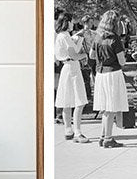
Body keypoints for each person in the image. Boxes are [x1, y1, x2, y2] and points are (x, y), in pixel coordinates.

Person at [90, 9, 129, 147]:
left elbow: (91, 56)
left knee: (105, 107)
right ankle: (108, 138)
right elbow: (122, 61)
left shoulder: (97, 37)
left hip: (100, 73)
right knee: (110, 107)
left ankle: (102, 135)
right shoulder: (115, 39)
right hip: (112, 73)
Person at [53, 13, 92, 142]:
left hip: (66, 67)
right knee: (79, 101)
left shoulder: (61, 36)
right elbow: (74, 55)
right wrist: (85, 55)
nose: (72, 24)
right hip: (73, 68)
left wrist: (79, 38)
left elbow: (72, 49)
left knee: (66, 101)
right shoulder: (65, 36)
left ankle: (68, 130)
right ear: (67, 22)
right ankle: (78, 132)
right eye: (71, 22)